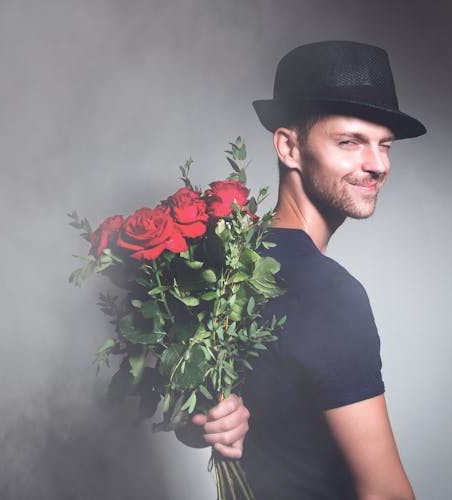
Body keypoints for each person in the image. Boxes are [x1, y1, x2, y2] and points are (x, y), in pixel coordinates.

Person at [182, 40, 426, 499]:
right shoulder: (330, 293)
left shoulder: (231, 262)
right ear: (290, 147)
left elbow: (212, 412)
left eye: (384, 145)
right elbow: (386, 494)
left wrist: (200, 424)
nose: (377, 164)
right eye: (350, 142)